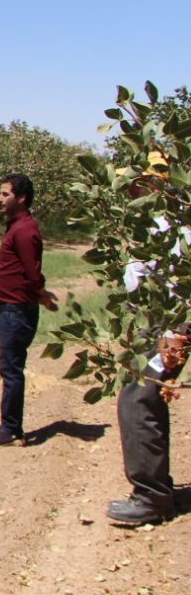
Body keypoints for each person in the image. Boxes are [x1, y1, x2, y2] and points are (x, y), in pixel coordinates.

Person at [108, 152, 190, 524]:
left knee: (137, 399)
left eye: (139, 184)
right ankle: (156, 488)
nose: (132, 191)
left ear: (157, 184)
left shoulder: (173, 227)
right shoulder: (151, 223)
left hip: (168, 326)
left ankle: (152, 496)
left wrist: (174, 335)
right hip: (155, 325)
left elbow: (180, 288)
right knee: (143, 398)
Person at [0, 173, 58, 447]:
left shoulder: (25, 230)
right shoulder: (17, 226)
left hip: (16, 311)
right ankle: (8, 422)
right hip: (10, 308)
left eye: (5, 194)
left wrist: (42, 296)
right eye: (0, 194)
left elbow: (32, 273)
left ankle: (12, 429)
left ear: (22, 198)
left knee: (11, 368)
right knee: (8, 367)